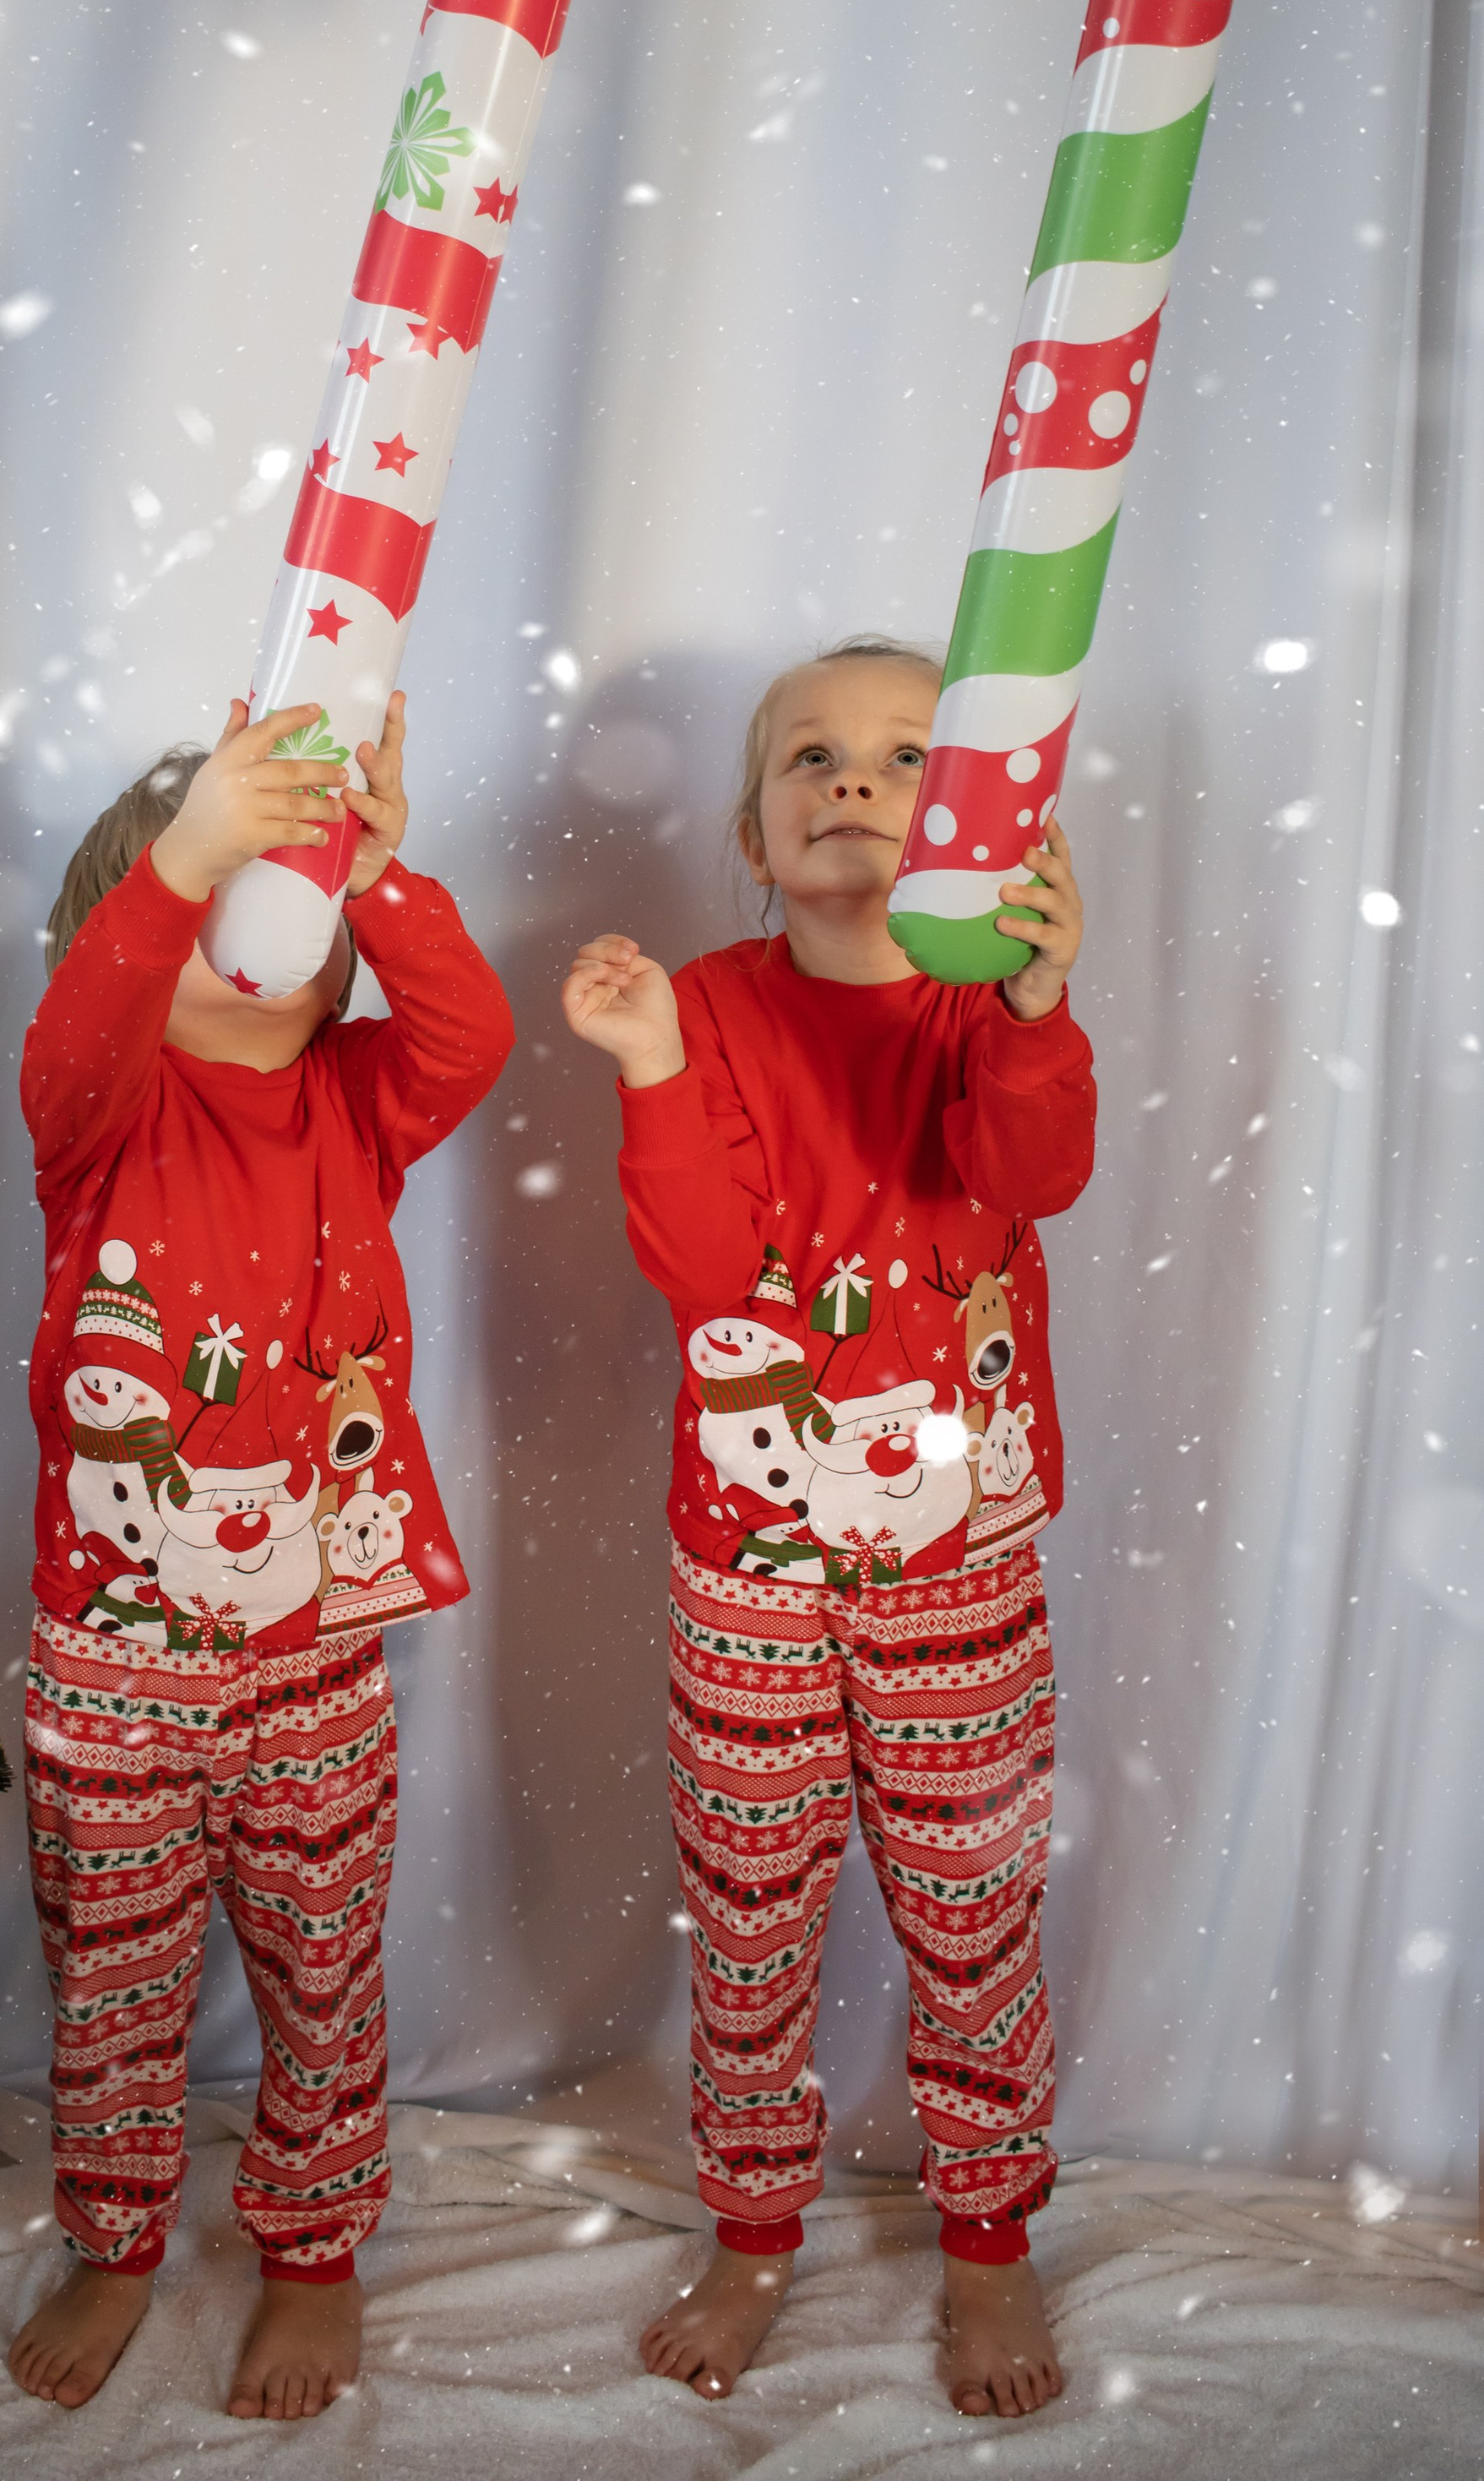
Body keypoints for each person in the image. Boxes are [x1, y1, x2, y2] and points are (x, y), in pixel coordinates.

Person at [561, 635, 1095, 2419]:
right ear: (750, 831)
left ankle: (988, 2241)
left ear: (979, 818)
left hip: (959, 1572)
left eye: (902, 755)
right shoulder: (706, 1010)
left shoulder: (982, 1008)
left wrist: (1034, 1007)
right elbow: (708, 1275)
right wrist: (650, 1065)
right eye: (811, 755)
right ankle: (752, 2230)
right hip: (750, 1576)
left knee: (971, 1912)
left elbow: (1031, 1175)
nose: (853, 777)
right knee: (749, 1915)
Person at [5, 690, 511, 2421]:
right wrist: (188, 860)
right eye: (216, 899)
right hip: (112, 1663)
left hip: (314, 1658)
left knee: (323, 1966)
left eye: (282, 904)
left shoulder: (354, 1103)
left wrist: (374, 873)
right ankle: (116, 2237)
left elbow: (467, 1037)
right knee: (114, 1977)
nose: (255, 934)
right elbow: (80, 1027)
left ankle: (312, 2248)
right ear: (133, 938)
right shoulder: (100, 1112)